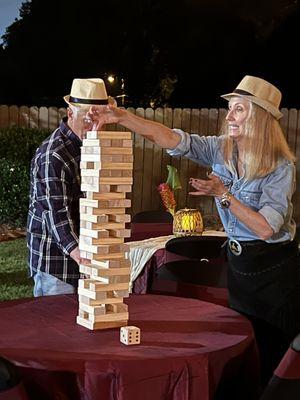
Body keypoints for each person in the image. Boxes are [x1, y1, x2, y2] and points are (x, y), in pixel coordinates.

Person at [88, 75, 300, 387]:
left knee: (273, 353)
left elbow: (267, 228)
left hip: (274, 271)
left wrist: (223, 195)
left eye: (238, 109)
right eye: (230, 108)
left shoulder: (281, 167)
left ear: (259, 118)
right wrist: (123, 117)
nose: (229, 116)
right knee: (248, 344)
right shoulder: (221, 150)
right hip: (241, 266)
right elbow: (173, 139)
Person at [27, 78, 111, 296]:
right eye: (87, 121)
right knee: (55, 326)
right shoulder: (53, 155)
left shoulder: (94, 147)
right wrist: (80, 254)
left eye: (99, 121)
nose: (94, 128)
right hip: (56, 263)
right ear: (70, 112)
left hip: (86, 254)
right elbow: (56, 214)